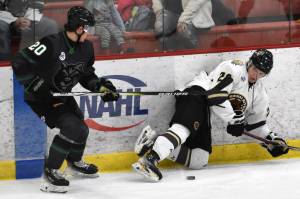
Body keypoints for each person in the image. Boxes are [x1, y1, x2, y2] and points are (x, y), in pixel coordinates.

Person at [132, 49, 289, 182]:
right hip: (198, 93)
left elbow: (257, 125)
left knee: (199, 160)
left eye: (261, 73)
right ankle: (150, 159)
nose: (256, 76)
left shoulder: (259, 93)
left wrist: (271, 140)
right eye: (255, 69)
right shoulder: (233, 68)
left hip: (206, 109)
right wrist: (235, 120)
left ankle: (152, 141)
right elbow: (215, 96)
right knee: (184, 129)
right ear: (249, 63)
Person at [11, 6, 119, 193]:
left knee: (82, 130)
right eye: (88, 28)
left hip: (62, 94)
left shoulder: (86, 47)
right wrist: (33, 84)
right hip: (41, 97)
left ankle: (74, 163)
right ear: (79, 28)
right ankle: (51, 171)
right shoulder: (51, 43)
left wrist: (100, 87)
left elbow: (86, 75)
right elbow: (20, 62)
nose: (91, 32)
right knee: (72, 126)